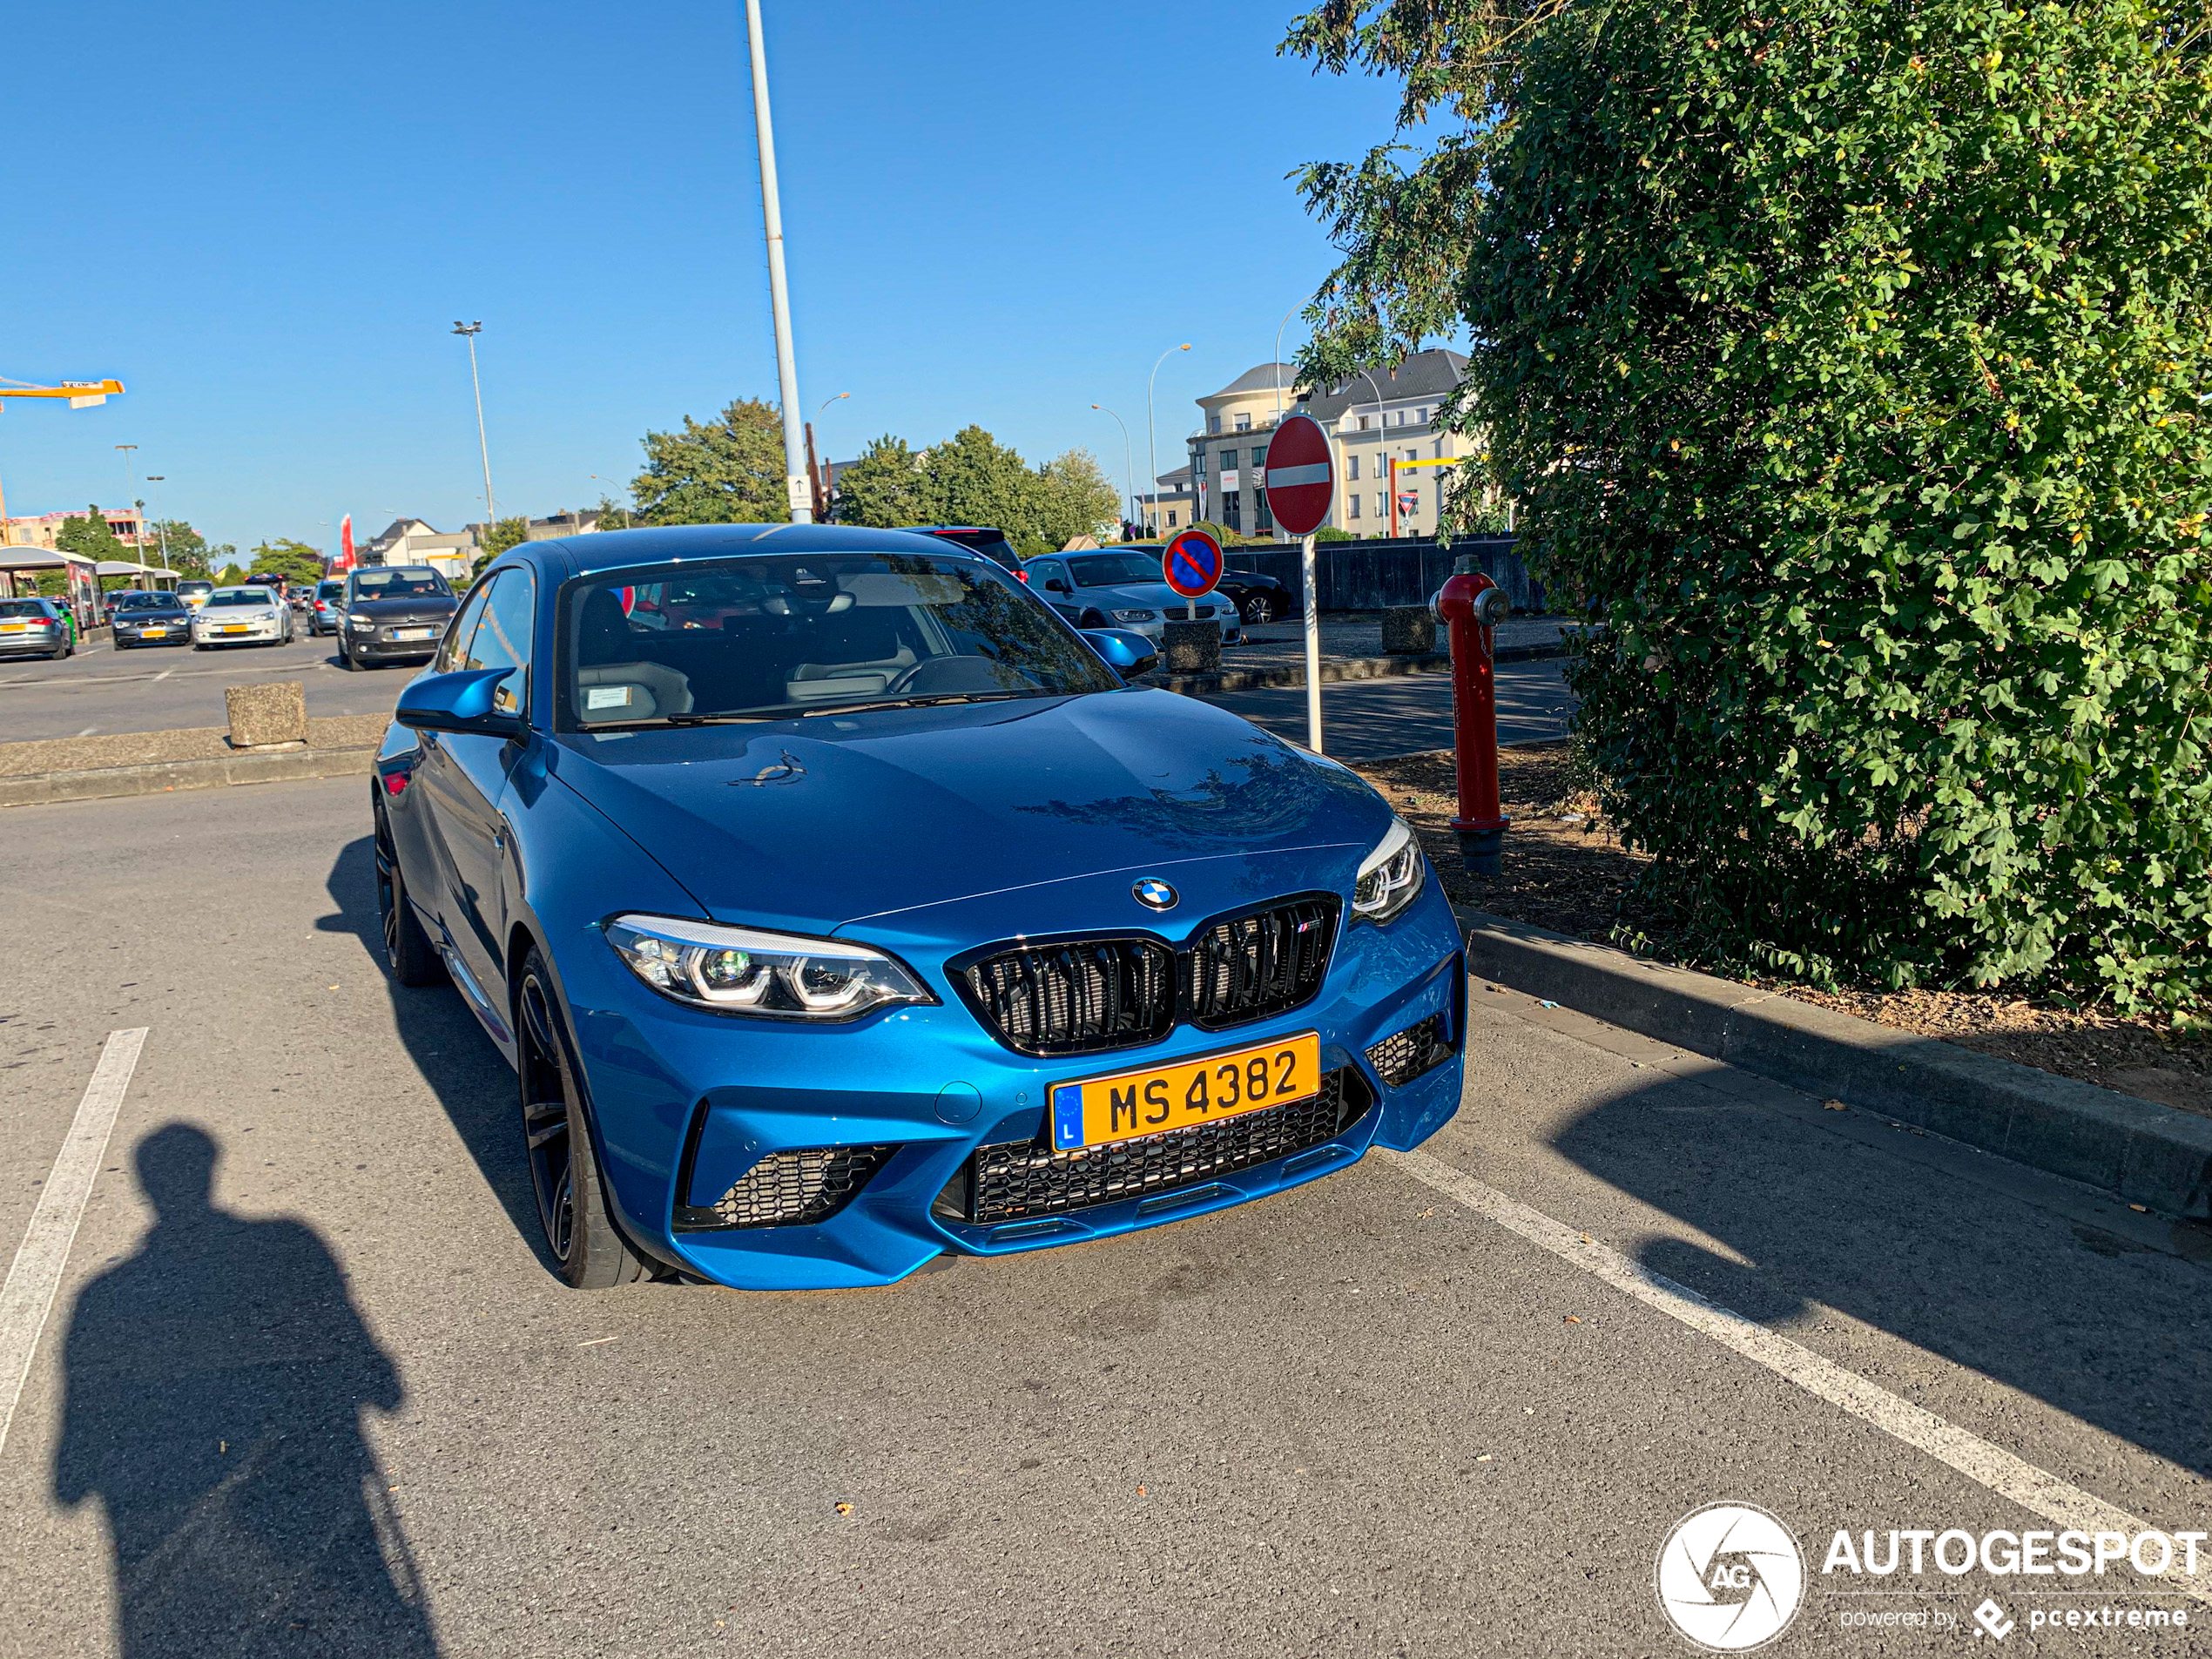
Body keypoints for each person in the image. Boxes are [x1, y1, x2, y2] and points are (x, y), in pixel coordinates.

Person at [53, 1124, 441, 1658]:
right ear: (211, 1171)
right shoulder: (291, 1243)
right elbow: (385, 1385)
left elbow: (69, 1480)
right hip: (319, 1488)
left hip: (175, 1549)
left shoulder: (101, 1297)